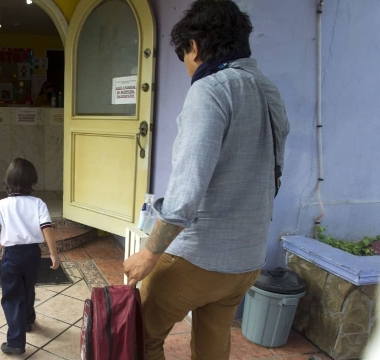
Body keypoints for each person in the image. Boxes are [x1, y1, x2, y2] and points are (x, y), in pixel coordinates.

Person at [123, 1, 290, 359]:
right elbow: (275, 171)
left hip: (197, 260)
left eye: (184, 54)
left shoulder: (211, 89)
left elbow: (186, 190)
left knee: (142, 337)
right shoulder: (269, 90)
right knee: (213, 344)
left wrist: (150, 253)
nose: (185, 65)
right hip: (246, 260)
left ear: (195, 47)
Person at [0, 158, 60, 356]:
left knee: (12, 296)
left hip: (12, 256)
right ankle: (27, 320)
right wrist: (53, 254)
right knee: (28, 288)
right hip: (33, 254)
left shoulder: (1, 205)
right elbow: (47, 230)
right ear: (32, 182)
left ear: (8, 181)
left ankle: (16, 342)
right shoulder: (38, 204)